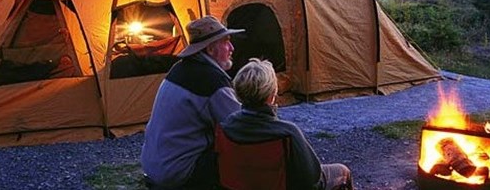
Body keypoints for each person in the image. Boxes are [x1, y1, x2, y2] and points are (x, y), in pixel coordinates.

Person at [141, 15, 244, 189]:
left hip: (153, 167)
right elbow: (242, 126)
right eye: (226, 41)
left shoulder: (179, 69)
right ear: (211, 49)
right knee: (242, 151)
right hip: (176, 174)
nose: (232, 48)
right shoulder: (211, 81)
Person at [221, 58, 354, 190]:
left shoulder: (226, 127)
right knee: (343, 171)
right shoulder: (287, 133)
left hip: (243, 184)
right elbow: (312, 177)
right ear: (272, 94)